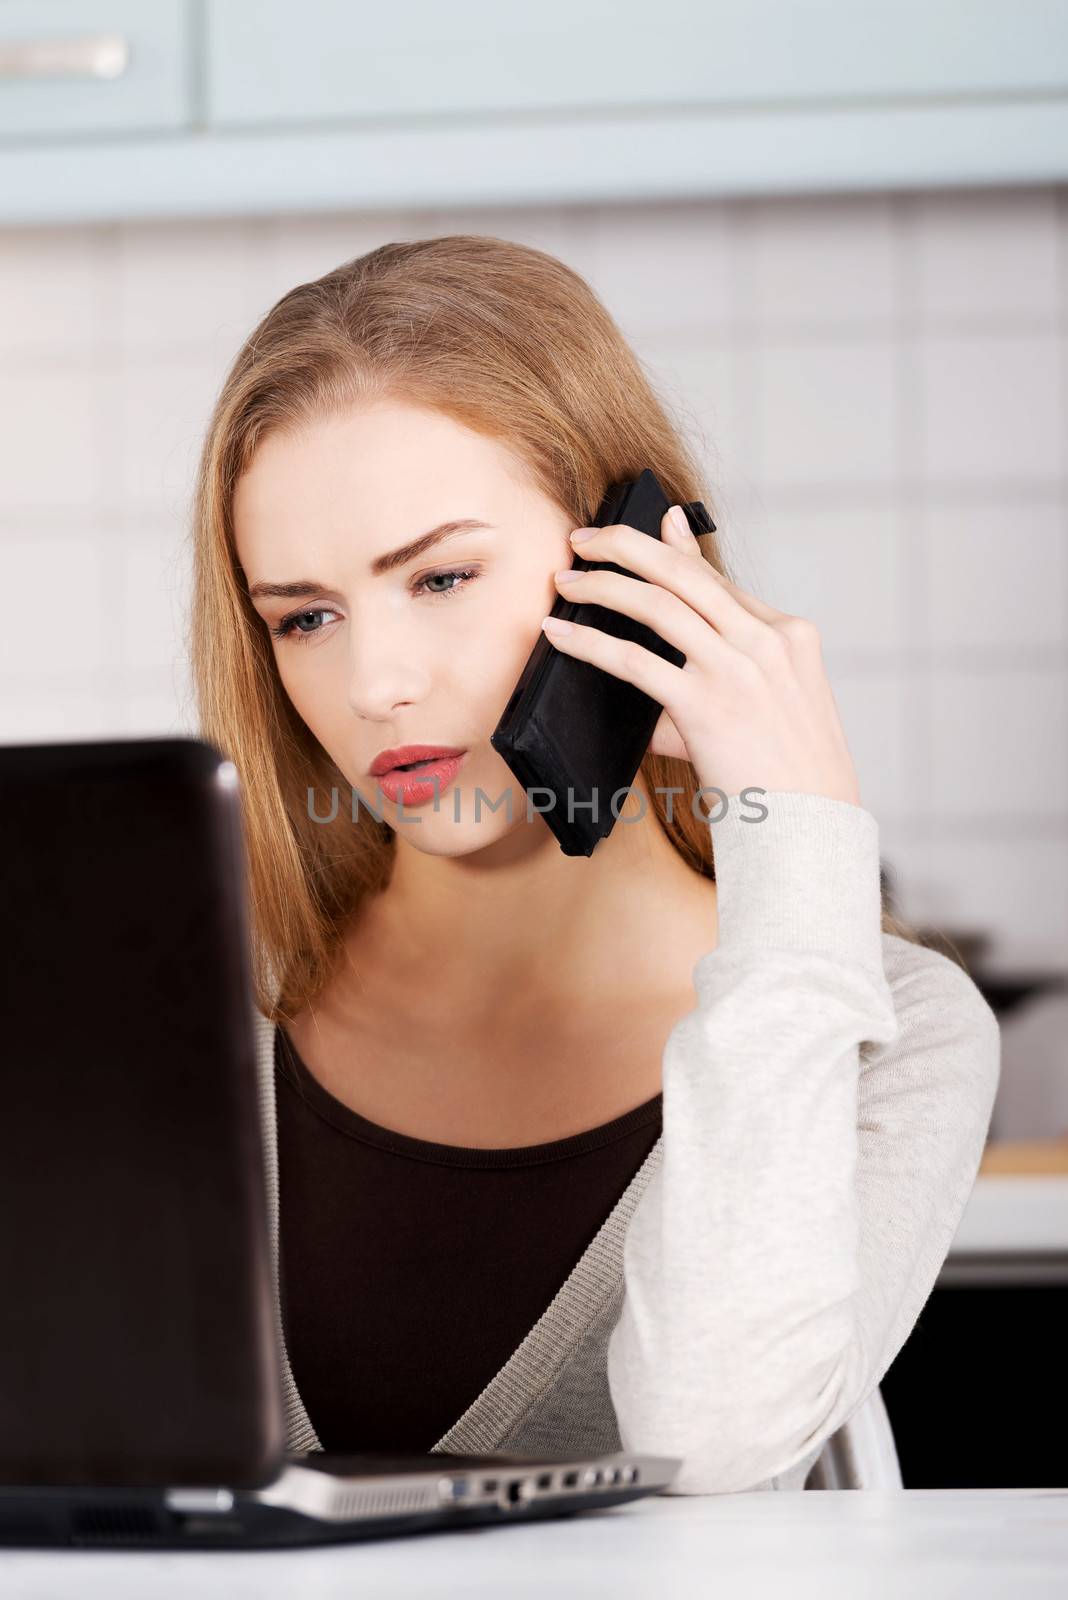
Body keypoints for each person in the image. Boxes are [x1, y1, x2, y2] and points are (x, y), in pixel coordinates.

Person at [187, 233, 1001, 1494]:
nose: (375, 684)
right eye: (307, 615)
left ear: (639, 566)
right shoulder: (193, 1011)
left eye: (443, 576)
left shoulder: (893, 1029)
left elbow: (714, 1443)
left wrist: (793, 827)